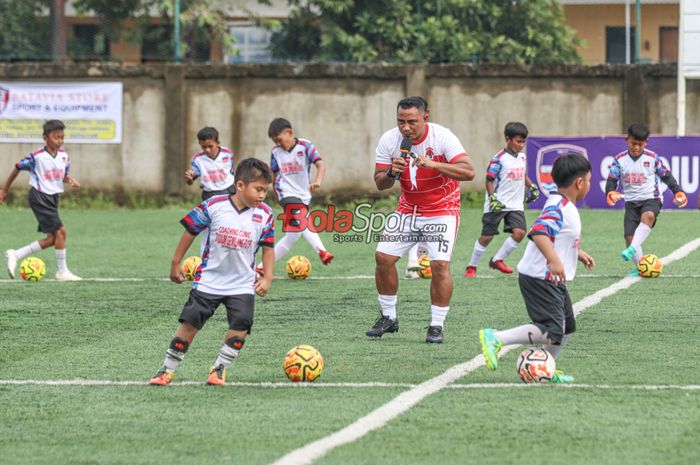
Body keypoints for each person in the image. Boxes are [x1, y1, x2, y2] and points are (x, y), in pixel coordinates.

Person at [149, 158, 275, 386]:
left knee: (241, 326)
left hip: (242, 284)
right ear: (239, 185)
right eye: (258, 189)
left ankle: (219, 368)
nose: (262, 195)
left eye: (265, 191)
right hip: (209, 281)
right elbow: (190, 231)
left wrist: (266, 277)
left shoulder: (265, 214)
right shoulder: (213, 205)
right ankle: (166, 369)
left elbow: (268, 248)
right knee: (189, 324)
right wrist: (175, 263)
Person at [479, 154, 594, 384]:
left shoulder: (563, 205)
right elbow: (540, 232)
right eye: (589, 180)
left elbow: (558, 236)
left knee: (566, 327)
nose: (589, 185)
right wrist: (553, 260)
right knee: (552, 331)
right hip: (540, 277)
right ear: (579, 183)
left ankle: (547, 367)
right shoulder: (559, 206)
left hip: (551, 278)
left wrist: (576, 253)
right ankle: (496, 337)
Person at [368, 96, 475, 343]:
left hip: (442, 210)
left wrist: (434, 164)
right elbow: (380, 183)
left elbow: (469, 171)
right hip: (408, 210)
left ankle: (436, 326)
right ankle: (388, 317)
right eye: (401, 121)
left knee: (439, 266)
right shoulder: (389, 140)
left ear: (425, 117)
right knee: (383, 257)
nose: (405, 127)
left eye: (412, 122)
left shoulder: (443, 137)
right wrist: (391, 173)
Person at [0, 120, 82, 281]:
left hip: (53, 198)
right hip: (39, 196)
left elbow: (60, 175)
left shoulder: (65, 156)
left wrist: (70, 179)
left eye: (62, 137)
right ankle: (62, 272)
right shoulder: (36, 157)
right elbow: (17, 167)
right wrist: (4, 190)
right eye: (56, 137)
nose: (59, 140)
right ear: (45, 138)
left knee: (53, 238)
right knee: (61, 232)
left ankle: (15, 254)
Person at [606, 123, 687, 275]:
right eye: (633, 143)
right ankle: (640, 267)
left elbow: (666, 176)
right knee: (629, 237)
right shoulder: (619, 160)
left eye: (640, 144)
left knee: (648, 216)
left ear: (646, 143)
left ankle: (631, 249)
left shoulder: (653, 158)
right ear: (626, 140)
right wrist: (611, 192)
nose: (636, 147)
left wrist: (678, 191)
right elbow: (611, 180)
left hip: (651, 198)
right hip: (631, 202)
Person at [255, 118, 333, 276]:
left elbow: (320, 164)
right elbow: (274, 174)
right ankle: (322, 251)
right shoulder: (275, 152)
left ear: (289, 133)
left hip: (303, 195)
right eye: (275, 141)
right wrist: (276, 194)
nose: (278, 143)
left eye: (279, 139)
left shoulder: (305, 146)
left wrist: (317, 181)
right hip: (286, 193)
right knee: (303, 218)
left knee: (292, 237)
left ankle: (261, 267)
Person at [464, 122, 539, 278]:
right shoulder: (499, 159)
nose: (521, 145)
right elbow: (489, 179)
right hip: (498, 203)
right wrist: (492, 198)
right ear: (508, 139)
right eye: (518, 141)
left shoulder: (523, 157)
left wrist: (532, 186)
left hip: (516, 204)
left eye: (524, 142)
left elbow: (523, 174)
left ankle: (497, 260)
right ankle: (471, 266)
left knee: (520, 232)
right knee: (487, 237)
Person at [185, 127, 236, 256]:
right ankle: (205, 258)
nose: (207, 150)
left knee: (232, 225)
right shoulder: (197, 159)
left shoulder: (227, 154)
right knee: (210, 227)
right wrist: (190, 178)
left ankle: (231, 255)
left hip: (229, 192)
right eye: (204, 147)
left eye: (210, 146)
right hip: (210, 195)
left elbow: (232, 172)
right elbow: (191, 180)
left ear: (218, 142)